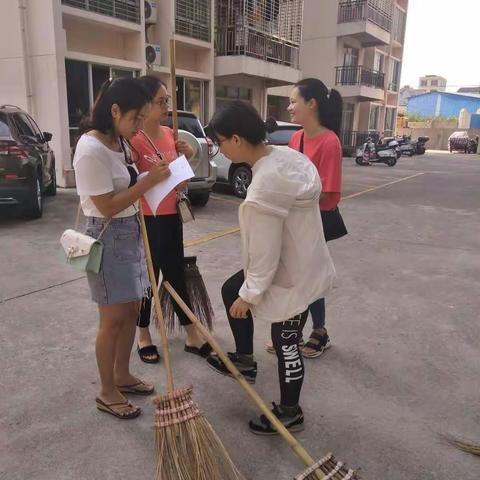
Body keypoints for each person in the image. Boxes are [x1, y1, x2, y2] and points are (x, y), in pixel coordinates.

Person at [205, 100, 335, 435]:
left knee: (285, 339)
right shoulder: (286, 156)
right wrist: (245, 290)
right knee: (229, 288)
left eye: (220, 142)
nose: (220, 149)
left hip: (292, 272)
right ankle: (245, 361)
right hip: (302, 258)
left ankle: (290, 412)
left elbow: (266, 252)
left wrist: (250, 296)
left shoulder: (265, 185)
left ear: (236, 139)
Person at [73, 77, 171, 419]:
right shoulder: (90, 149)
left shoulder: (119, 141)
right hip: (106, 234)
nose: (140, 125)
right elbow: (107, 206)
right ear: (114, 110)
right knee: (111, 319)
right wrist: (148, 183)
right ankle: (106, 390)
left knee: (131, 311)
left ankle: (122, 374)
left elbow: (131, 183)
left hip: (130, 231)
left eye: (143, 118)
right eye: (136, 118)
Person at [131, 75, 211, 364]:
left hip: (171, 215)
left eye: (168, 100)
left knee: (175, 273)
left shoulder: (169, 134)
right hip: (145, 218)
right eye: (160, 101)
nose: (166, 105)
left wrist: (186, 158)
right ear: (143, 104)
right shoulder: (133, 140)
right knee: (148, 278)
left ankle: (191, 334)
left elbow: (179, 182)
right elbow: (130, 183)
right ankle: (143, 334)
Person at [286, 78, 344, 359]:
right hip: (295, 217)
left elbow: (328, 190)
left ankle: (318, 331)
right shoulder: (296, 138)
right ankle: (295, 331)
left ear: (312, 104)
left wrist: (292, 199)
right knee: (296, 274)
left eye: (294, 101)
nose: (289, 107)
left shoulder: (329, 142)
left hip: (317, 219)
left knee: (310, 276)